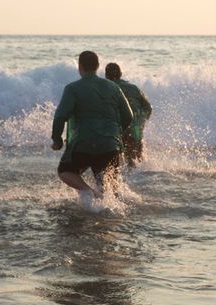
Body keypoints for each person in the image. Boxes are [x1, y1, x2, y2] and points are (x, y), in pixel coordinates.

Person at [51, 51, 133, 198]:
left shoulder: (72, 88)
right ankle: (112, 216)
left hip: (83, 144)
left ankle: (89, 192)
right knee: (110, 190)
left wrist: (57, 140)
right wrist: (115, 133)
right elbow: (128, 116)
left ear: (80, 66)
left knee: (65, 171)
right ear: (98, 66)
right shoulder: (114, 87)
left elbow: (60, 117)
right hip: (110, 145)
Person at [105, 63, 153, 167]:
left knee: (123, 164)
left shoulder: (106, 90)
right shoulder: (134, 88)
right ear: (121, 74)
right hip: (135, 129)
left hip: (118, 131)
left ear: (106, 76)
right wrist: (140, 124)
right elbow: (148, 108)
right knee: (138, 162)